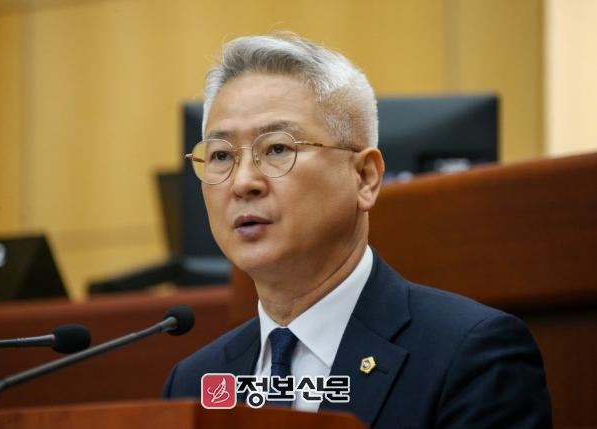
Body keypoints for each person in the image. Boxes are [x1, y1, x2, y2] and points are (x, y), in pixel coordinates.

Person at [163, 32, 551, 428]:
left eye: (278, 148)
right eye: (221, 155)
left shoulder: (470, 356)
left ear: (365, 177)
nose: (243, 182)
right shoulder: (194, 382)